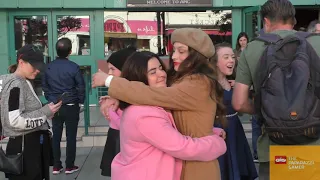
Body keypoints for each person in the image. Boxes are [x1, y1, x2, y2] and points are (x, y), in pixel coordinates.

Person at [92, 28, 226, 180]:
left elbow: (154, 95)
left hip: (196, 167)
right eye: (174, 50)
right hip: (188, 160)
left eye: (181, 51)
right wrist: (117, 97)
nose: (174, 56)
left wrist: (110, 82)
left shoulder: (197, 83)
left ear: (196, 56)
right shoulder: (179, 83)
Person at [232, 0, 320, 179]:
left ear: (266, 22)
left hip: (273, 146)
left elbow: (239, 103)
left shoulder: (252, 48)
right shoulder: (317, 43)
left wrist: (262, 110)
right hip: (315, 144)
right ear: (293, 20)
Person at [0, 44, 62, 180]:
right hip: (25, 149)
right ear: (21, 62)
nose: (38, 70)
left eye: (39, 66)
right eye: (34, 66)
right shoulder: (16, 84)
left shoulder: (21, 81)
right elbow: (15, 120)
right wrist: (45, 112)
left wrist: (46, 110)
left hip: (30, 146)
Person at [212, 43, 258, 180]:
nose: (231, 60)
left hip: (235, 129)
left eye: (232, 57)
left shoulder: (233, 82)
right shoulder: (208, 84)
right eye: (225, 57)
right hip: (219, 130)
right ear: (214, 62)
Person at [42, 38, 85, 175]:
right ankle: (69, 166)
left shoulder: (48, 67)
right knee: (71, 136)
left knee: (56, 135)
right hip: (71, 106)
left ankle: (56, 166)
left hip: (55, 106)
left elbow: (45, 87)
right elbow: (81, 87)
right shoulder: (74, 67)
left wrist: (52, 100)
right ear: (70, 51)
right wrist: (80, 101)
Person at [99, 47, 137, 177]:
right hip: (116, 137)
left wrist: (110, 111)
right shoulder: (118, 94)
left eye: (112, 69)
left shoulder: (134, 96)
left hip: (123, 140)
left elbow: (123, 124)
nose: (109, 73)